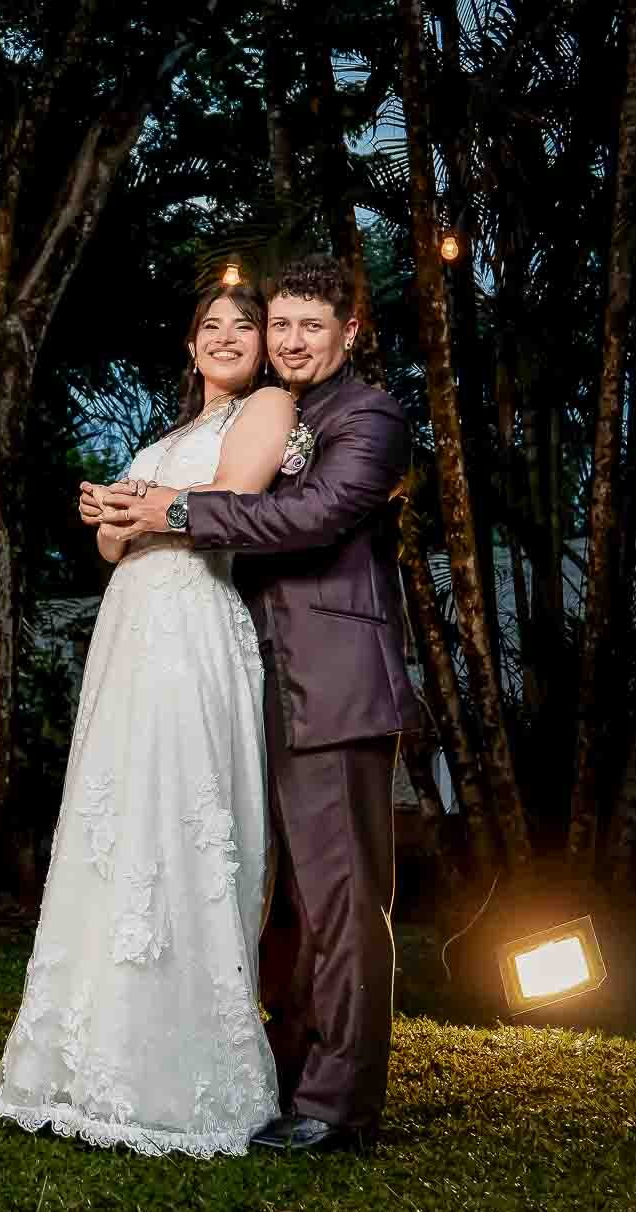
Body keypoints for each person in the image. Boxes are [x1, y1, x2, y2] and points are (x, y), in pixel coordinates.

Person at [96, 256, 416, 1156]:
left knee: (341, 899)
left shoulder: (370, 417)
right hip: (250, 677)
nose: (290, 341)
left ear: (351, 332)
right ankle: (279, 1069)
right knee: (276, 896)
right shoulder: (277, 416)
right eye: (282, 326)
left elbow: (308, 518)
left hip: (335, 682)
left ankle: (338, 1106)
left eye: (311, 325)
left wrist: (178, 510)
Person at [0, 282, 296, 1157]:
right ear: (190, 348)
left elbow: (232, 504)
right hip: (130, 634)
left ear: (262, 348)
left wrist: (144, 510)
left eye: (243, 326)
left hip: (194, 621)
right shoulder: (162, 438)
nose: (226, 337)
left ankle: (189, 1066)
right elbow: (113, 541)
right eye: (211, 327)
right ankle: (86, 1056)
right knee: (113, 825)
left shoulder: (267, 407)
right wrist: (115, 514)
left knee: (181, 819)